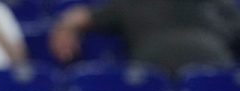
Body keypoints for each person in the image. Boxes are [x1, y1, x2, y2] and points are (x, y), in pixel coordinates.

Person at [49, 0, 240, 75]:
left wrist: (65, 28)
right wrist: (66, 28)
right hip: (160, 66)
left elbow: (78, 17)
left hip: (156, 66)